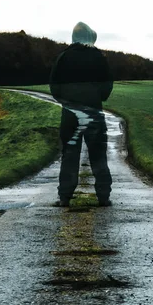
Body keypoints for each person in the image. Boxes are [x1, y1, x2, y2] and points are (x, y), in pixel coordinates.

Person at [49, 22, 114, 207]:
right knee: (98, 154)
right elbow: (107, 83)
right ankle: (103, 196)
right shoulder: (98, 57)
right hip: (93, 111)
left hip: (70, 114)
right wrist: (98, 97)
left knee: (69, 154)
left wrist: (65, 101)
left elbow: (54, 85)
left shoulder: (63, 57)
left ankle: (65, 197)